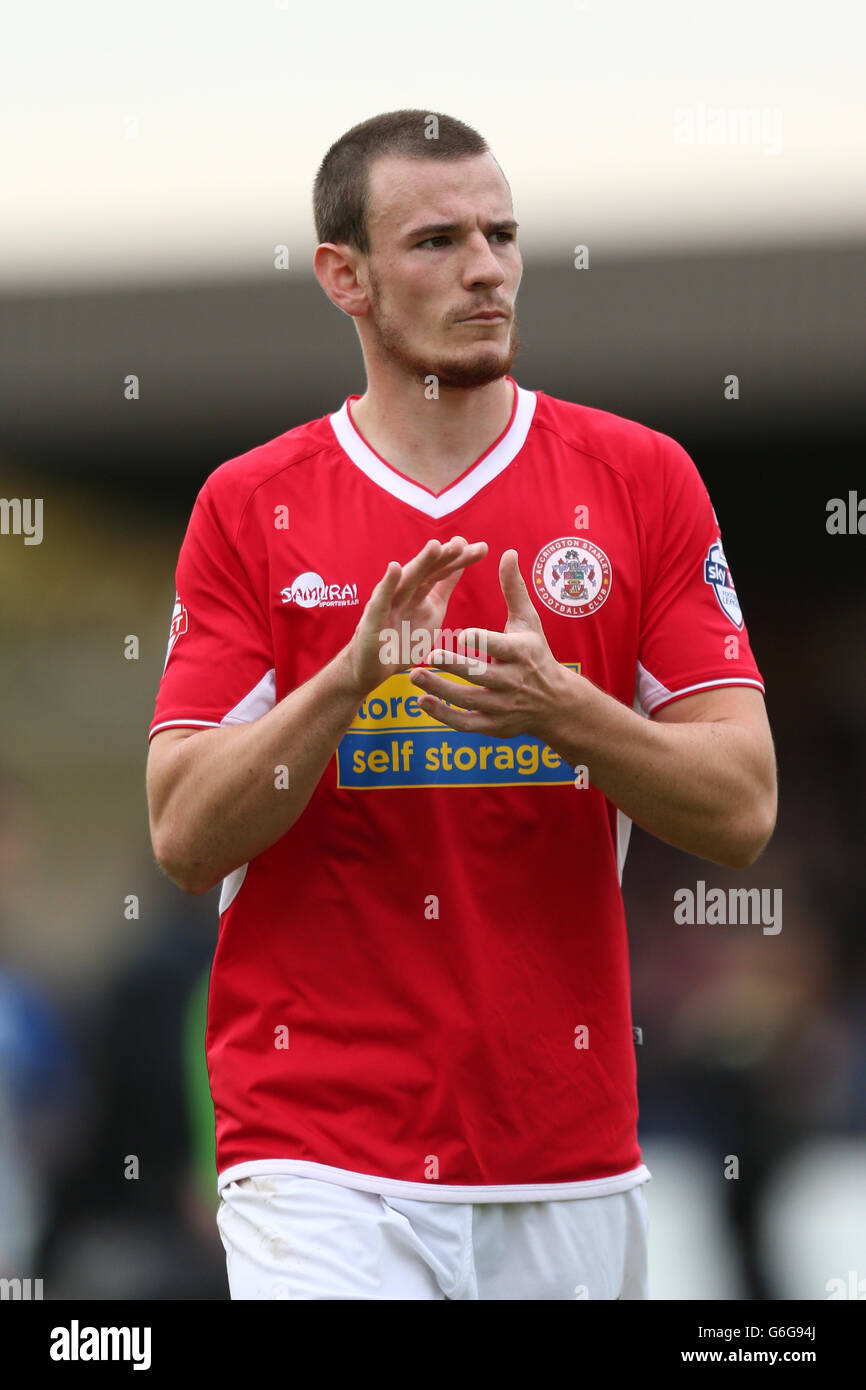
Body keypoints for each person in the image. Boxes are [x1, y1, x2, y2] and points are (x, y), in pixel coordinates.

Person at [145, 109, 777, 1300]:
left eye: (501, 234)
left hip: (564, 1148)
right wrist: (347, 679)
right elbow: (182, 835)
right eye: (436, 240)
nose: (485, 268)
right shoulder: (249, 505)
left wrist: (561, 710)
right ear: (345, 278)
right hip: (319, 1156)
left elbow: (741, 807)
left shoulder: (640, 481)